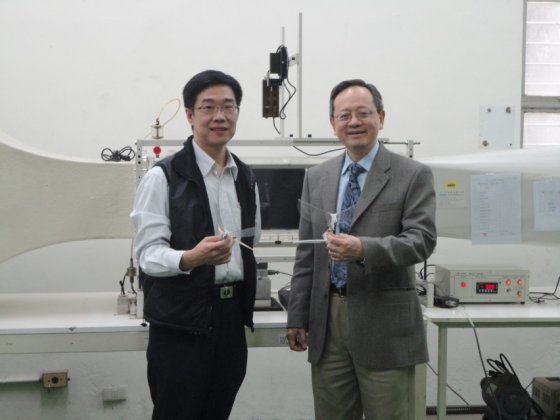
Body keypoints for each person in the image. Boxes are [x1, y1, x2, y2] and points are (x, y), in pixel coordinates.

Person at [287, 79, 437, 420]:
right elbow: (307, 255)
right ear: (333, 123)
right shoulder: (317, 177)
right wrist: (297, 316)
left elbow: (422, 240)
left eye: (363, 113)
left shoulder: (412, 174)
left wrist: (363, 249)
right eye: (344, 115)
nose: (354, 122)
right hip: (328, 321)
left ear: (380, 117)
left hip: (384, 323)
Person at [130, 69, 261, 420]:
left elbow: (252, 241)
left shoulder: (246, 177)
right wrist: (191, 258)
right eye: (208, 107)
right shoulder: (163, 177)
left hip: (230, 320)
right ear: (190, 115)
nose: (220, 116)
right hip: (180, 325)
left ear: (237, 113)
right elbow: (147, 255)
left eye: (228, 107)